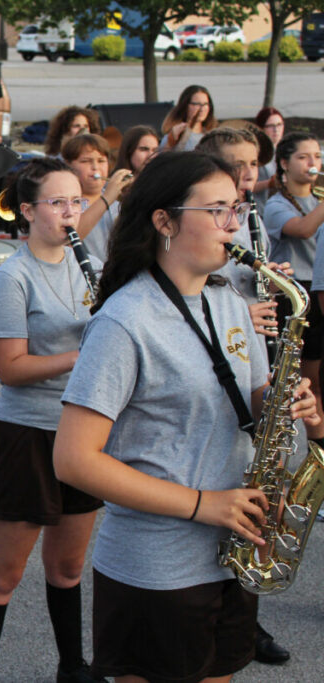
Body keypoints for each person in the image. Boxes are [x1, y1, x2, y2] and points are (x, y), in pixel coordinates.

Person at [53, 151, 319, 683]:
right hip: (158, 567)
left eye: (237, 208)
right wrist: (204, 505)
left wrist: (285, 399)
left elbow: (247, 393)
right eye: (218, 209)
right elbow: (74, 461)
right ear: (165, 221)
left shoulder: (227, 299)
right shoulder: (125, 320)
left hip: (235, 550)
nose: (235, 224)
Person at [0, 158, 102, 683]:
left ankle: (72, 667)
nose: (71, 212)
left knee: (68, 567)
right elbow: (11, 368)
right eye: (58, 203)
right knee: (4, 574)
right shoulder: (12, 278)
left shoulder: (88, 264)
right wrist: (83, 353)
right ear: (26, 211)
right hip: (27, 435)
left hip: (81, 432)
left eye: (77, 202)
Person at [195, 127, 293, 666]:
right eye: (238, 165)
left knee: (258, 493)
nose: (249, 175)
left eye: (254, 164)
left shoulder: (250, 221)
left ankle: (246, 613)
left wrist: (271, 284)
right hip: (217, 369)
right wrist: (240, 312)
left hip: (248, 356)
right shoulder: (207, 228)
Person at [264, 132, 324, 446]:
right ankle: (314, 446)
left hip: (318, 288)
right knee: (307, 380)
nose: (313, 163)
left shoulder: (317, 199)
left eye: (316, 155)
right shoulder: (275, 204)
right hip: (296, 294)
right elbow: (302, 229)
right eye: (304, 157)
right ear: (284, 164)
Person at [78, 125, 157, 263]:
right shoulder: (113, 189)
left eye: (155, 150)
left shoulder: (157, 184)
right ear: (129, 151)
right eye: (144, 149)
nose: (151, 155)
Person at [62, 134, 127, 267]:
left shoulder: (118, 202)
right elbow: (67, 240)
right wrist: (106, 199)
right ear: (69, 166)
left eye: (101, 161)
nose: (95, 167)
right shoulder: (64, 204)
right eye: (85, 161)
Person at [159, 85, 216, 152]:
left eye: (205, 104)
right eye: (196, 104)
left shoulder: (213, 136)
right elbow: (162, 159)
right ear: (185, 106)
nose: (202, 109)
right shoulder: (175, 135)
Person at [253, 107, 285, 206]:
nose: (276, 130)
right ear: (261, 128)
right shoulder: (255, 152)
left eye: (279, 125)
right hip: (261, 207)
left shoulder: (286, 149)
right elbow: (245, 187)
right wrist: (269, 183)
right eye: (270, 126)